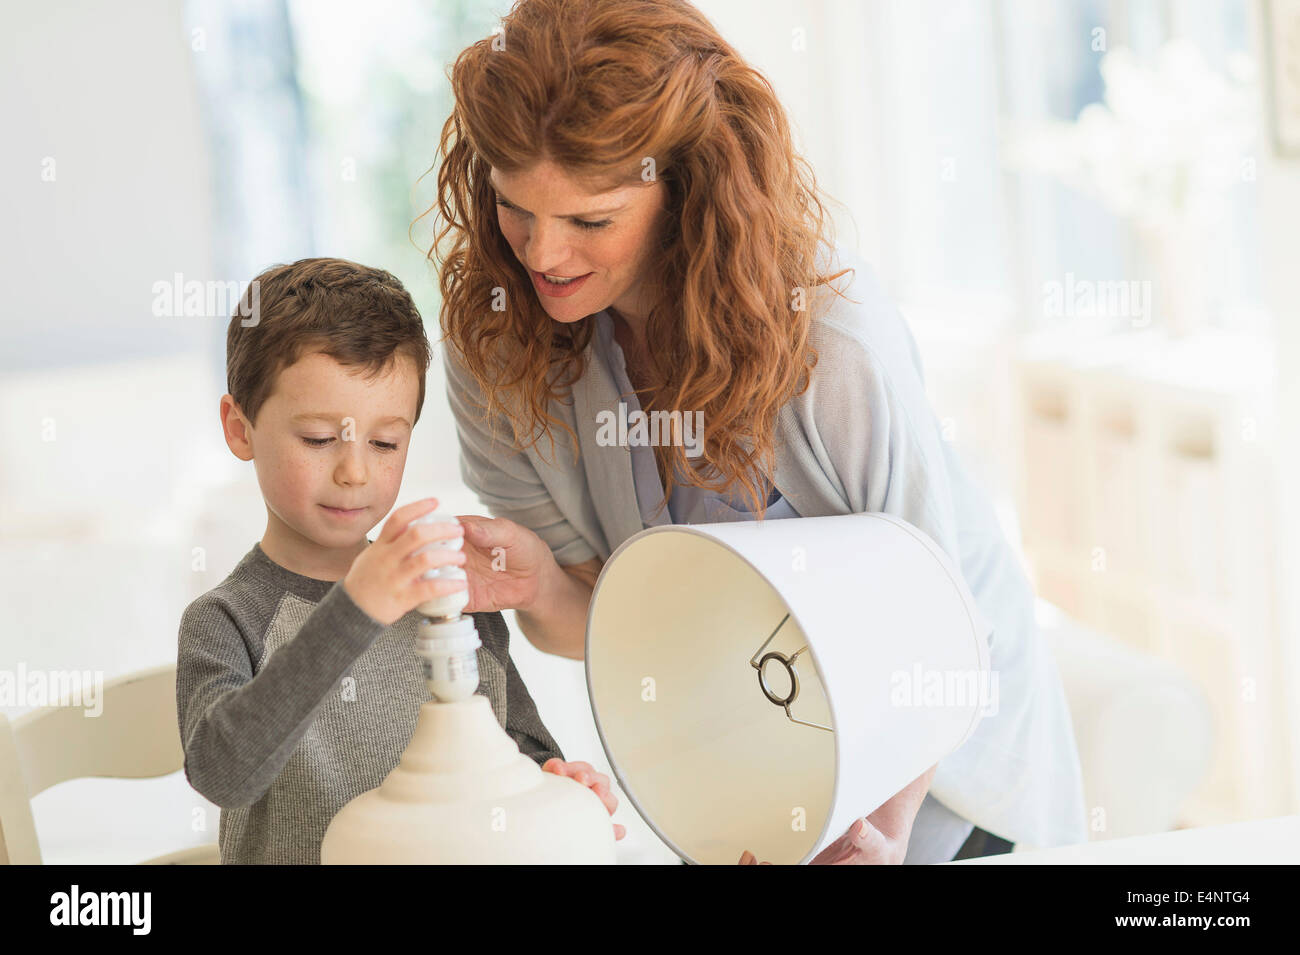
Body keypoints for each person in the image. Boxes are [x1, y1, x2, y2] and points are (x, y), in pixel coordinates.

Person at [429, 0, 1087, 864]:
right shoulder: (498, 356)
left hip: (949, 774)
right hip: (748, 776)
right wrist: (542, 584)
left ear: (685, 186)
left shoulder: (831, 346)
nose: (542, 254)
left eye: (591, 220)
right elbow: (613, 623)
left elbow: (931, 629)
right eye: (516, 208)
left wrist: (880, 834)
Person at [175, 257, 623, 864]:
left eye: (385, 443)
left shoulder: (445, 603)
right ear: (240, 428)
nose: (355, 471)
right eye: (317, 438)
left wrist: (554, 781)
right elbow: (224, 772)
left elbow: (513, 745)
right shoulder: (228, 619)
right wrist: (355, 608)